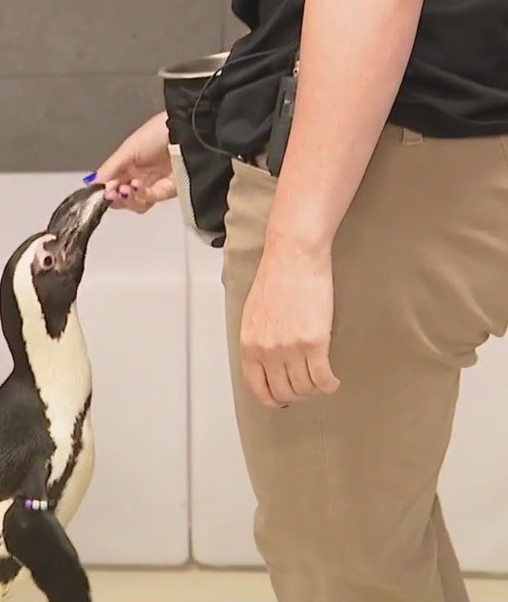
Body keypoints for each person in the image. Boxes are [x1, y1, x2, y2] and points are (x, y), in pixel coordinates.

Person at [92, 1, 508, 601]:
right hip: (435, 136)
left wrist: (296, 246)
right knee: (377, 546)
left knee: (346, 568)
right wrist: (226, 104)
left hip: (383, 177)